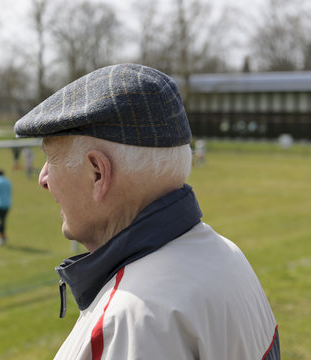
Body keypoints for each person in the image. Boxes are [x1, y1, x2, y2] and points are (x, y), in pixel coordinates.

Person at [14, 64, 279, 360]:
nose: (43, 178)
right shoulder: (226, 255)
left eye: (52, 159)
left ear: (98, 173)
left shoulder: (130, 321)